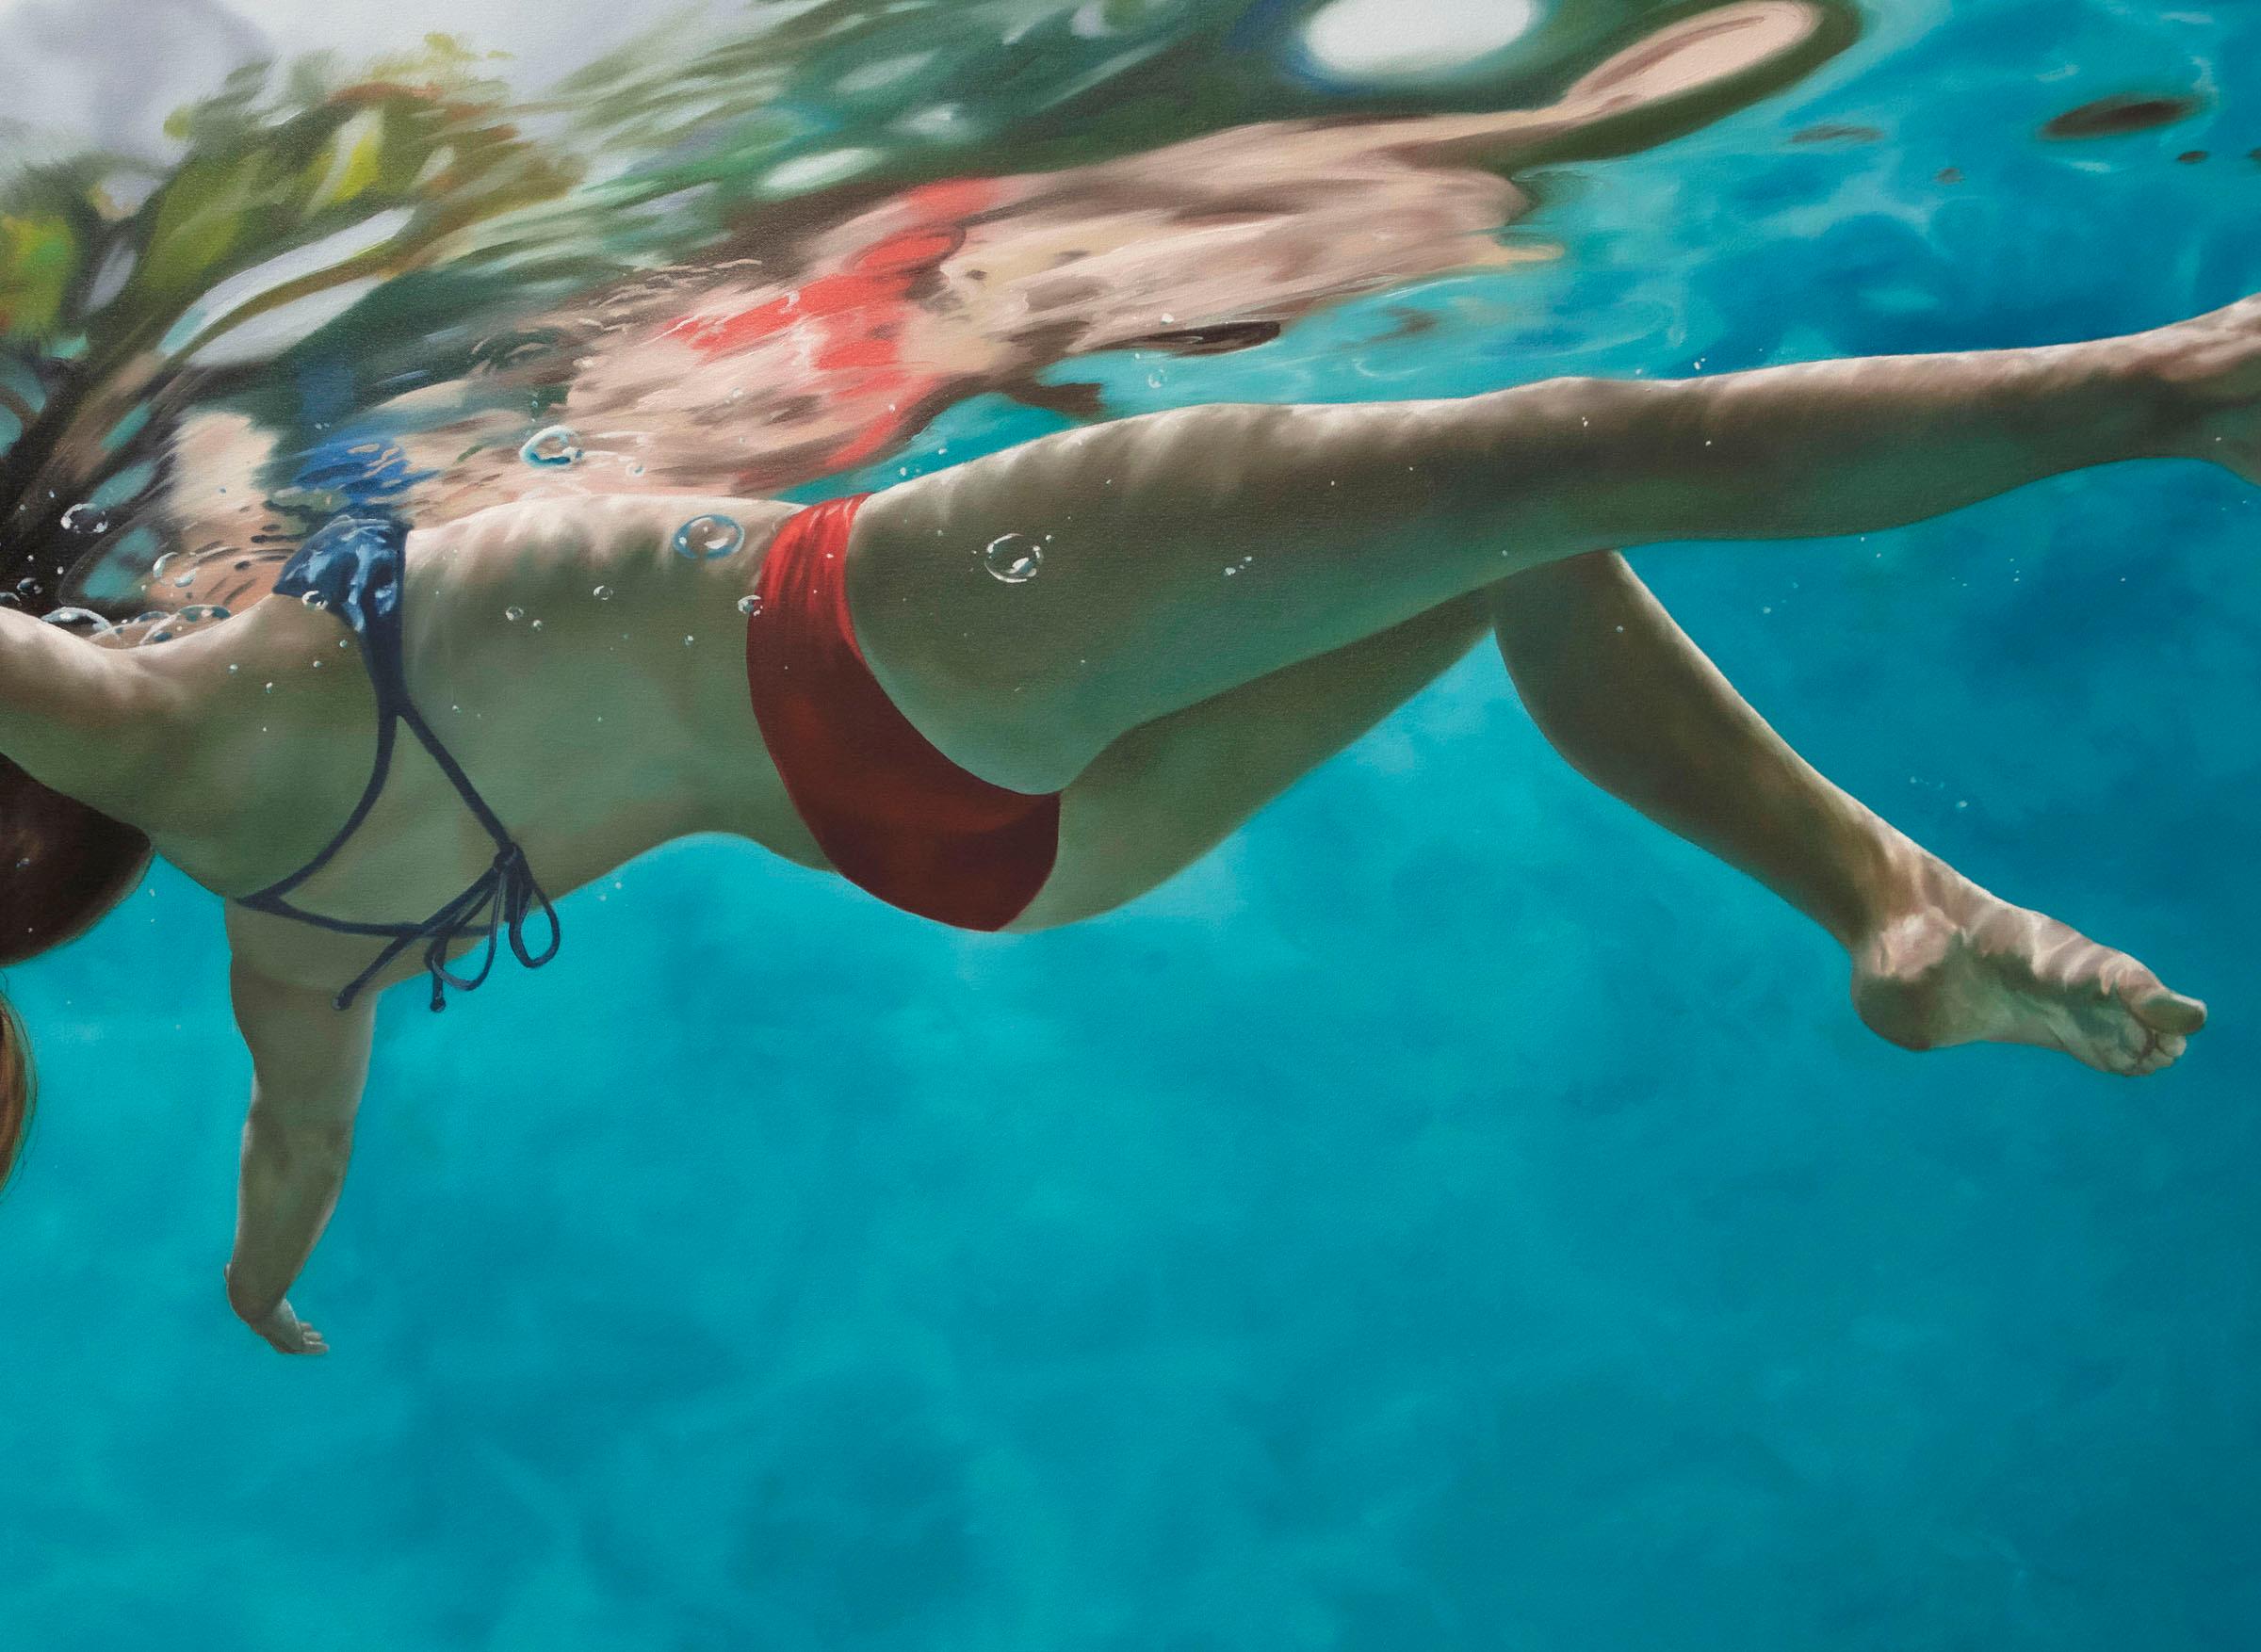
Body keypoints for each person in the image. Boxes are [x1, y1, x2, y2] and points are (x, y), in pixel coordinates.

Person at [5, 283, 2247, 1352]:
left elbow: (294, 1153)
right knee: (1574, 447)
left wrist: (258, 1289)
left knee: (1508, 550)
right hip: (881, 643)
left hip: (982, 865)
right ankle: (2178, 391)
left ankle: (1896, 909)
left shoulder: (276, 941)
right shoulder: (166, 728)